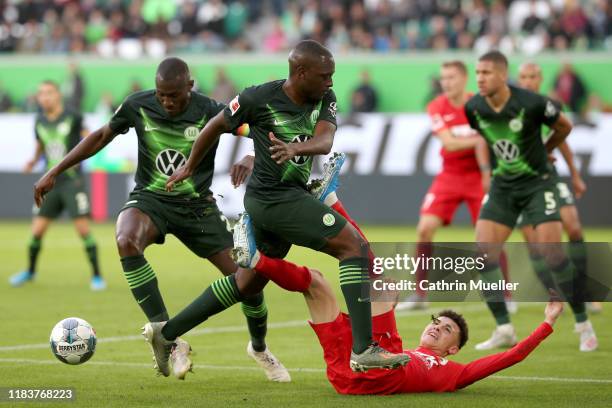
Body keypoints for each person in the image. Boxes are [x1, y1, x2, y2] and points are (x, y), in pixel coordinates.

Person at [32, 58, 290, 382]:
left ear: (190, 87)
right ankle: (169, 340)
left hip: (197, 207)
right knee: (126, 239)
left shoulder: (212, 109)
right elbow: (99, 137)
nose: (166, 102)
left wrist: (252, 155)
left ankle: (259, 347)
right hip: (151, 199)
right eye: (161, 95)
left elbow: (258, 131)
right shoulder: (138, 105)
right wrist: (54, 170)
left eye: (174, 96)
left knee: (248, 281)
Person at [166, 40, 410, 372]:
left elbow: (325, 141)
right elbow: (214, 127)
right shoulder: (258, 97)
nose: (331, 82)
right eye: (325, 76)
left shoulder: (325, 97)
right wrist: (192, 166)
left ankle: (166, 333)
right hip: (273, 199)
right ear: (301, 72)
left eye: (332, 75)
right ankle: (364, 348)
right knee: (354, 247)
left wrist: (296, 150)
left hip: (286, 196)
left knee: (246, 284)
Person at [232, 216, 566, 394]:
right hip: (344, 373)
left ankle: (332, 203)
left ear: (453, 350)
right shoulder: (408, 348)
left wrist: (547, 324)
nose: (436, 326)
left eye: (447, 330)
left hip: (381, 374)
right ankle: (256, 258)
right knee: (316, 281)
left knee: (383, 286)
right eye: (437, 321)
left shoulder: (455, 373)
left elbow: (511, 356)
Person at [465, 51, 598, 352]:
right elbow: (486, 140)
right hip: (503, 187)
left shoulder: (534, 103)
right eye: (477, 73)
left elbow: (564, 127)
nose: (480, 78)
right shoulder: (473, 107)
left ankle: (582, 321)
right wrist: (490, 170)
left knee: (553, 254)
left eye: (486, 73)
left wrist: (545, 149)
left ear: (502, 75)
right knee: (483, 253)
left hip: (538, 184)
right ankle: (504, 328)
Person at [397, 61, 512, 312]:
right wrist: (480, 138)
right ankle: (419, 294)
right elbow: (449, 143)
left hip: (478, 176)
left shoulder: (479, 104)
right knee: (424, 229)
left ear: (464, 78)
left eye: (451, 78)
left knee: (489, 237)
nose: (446, 83)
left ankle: (505, 294)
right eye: (443, 78)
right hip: (450, 175)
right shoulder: (437, 105)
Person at [516, 62, 601, 314]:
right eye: (524, 77)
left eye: (532, 76)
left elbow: (562, 141)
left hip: (549, 177)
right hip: (518, 182)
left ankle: (582, 290)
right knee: (534, 243)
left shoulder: (550, 106)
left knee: (573, 226)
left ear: (540, 79)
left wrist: (575, 175)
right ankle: (555, 296)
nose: (528, 81)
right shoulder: (509, 107)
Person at [9, 80, 105, 291]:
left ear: (58, 95)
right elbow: (41, 145)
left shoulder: (74, 117)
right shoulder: (39, 120)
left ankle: (97, 276)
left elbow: (90, 139)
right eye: (41, 94)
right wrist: (33, 161)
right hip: (50, 184)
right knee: (36, 232)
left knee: (83, 231)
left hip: (72, 181)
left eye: (49, 93)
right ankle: (30, 271)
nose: (44, 97)